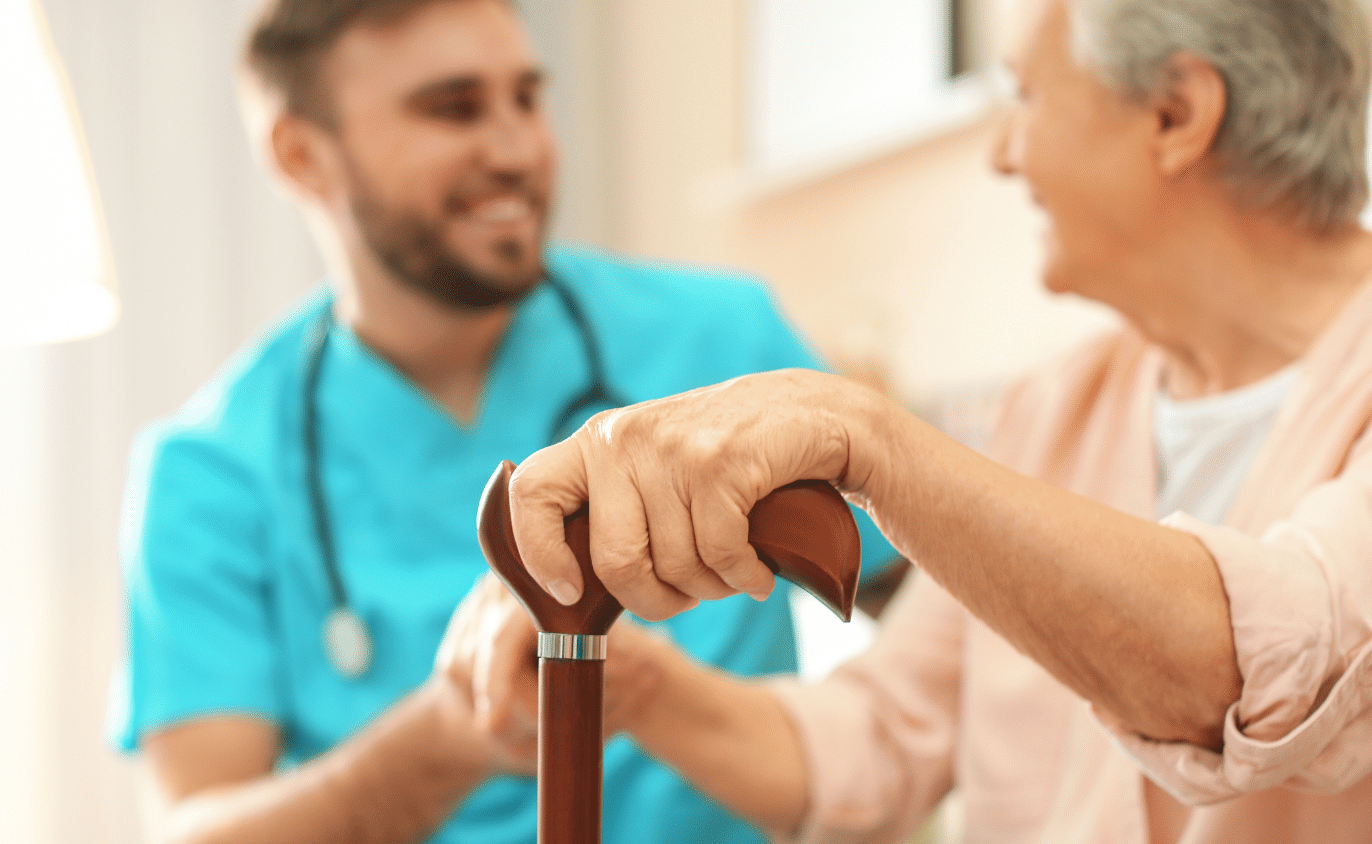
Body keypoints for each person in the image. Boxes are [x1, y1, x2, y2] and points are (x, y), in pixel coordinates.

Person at [473, 0, 1372, 841]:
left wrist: (867, 437)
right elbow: (878, 734)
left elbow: (1255, 663)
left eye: (1024, 98)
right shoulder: (1056, 407)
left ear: (1176, 114)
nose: (1002, 156)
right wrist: (637, 684)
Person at [107, 1, 901, 843]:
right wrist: (449, 733)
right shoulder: (209, 473)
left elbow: (959, 624)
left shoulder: (727, 346)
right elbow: (198, 830)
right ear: (302, 154)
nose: (518, 150)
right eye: (453, 108)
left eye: (527, 98)